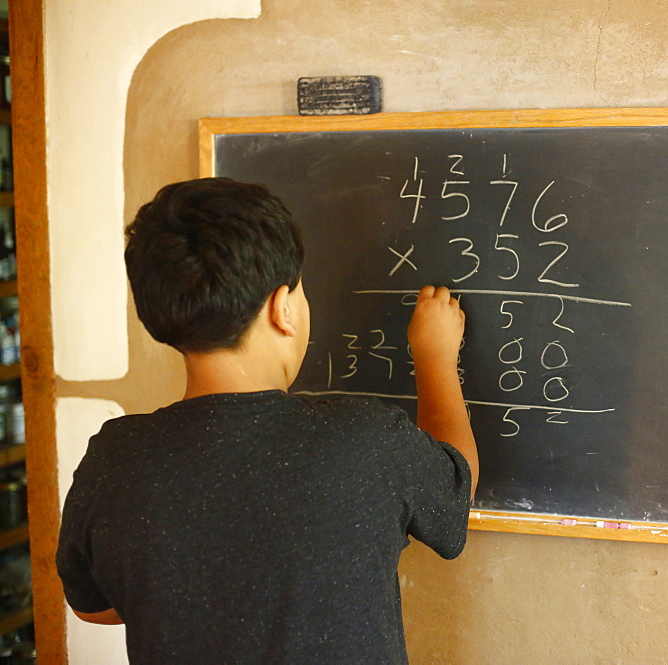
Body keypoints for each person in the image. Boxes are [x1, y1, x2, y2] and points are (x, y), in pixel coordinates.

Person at [56, 177, 478, 663]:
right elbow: (454, 493)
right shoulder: (364, 441)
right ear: (283, 309)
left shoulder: (117, 458)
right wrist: (436, 358)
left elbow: (92, 606)